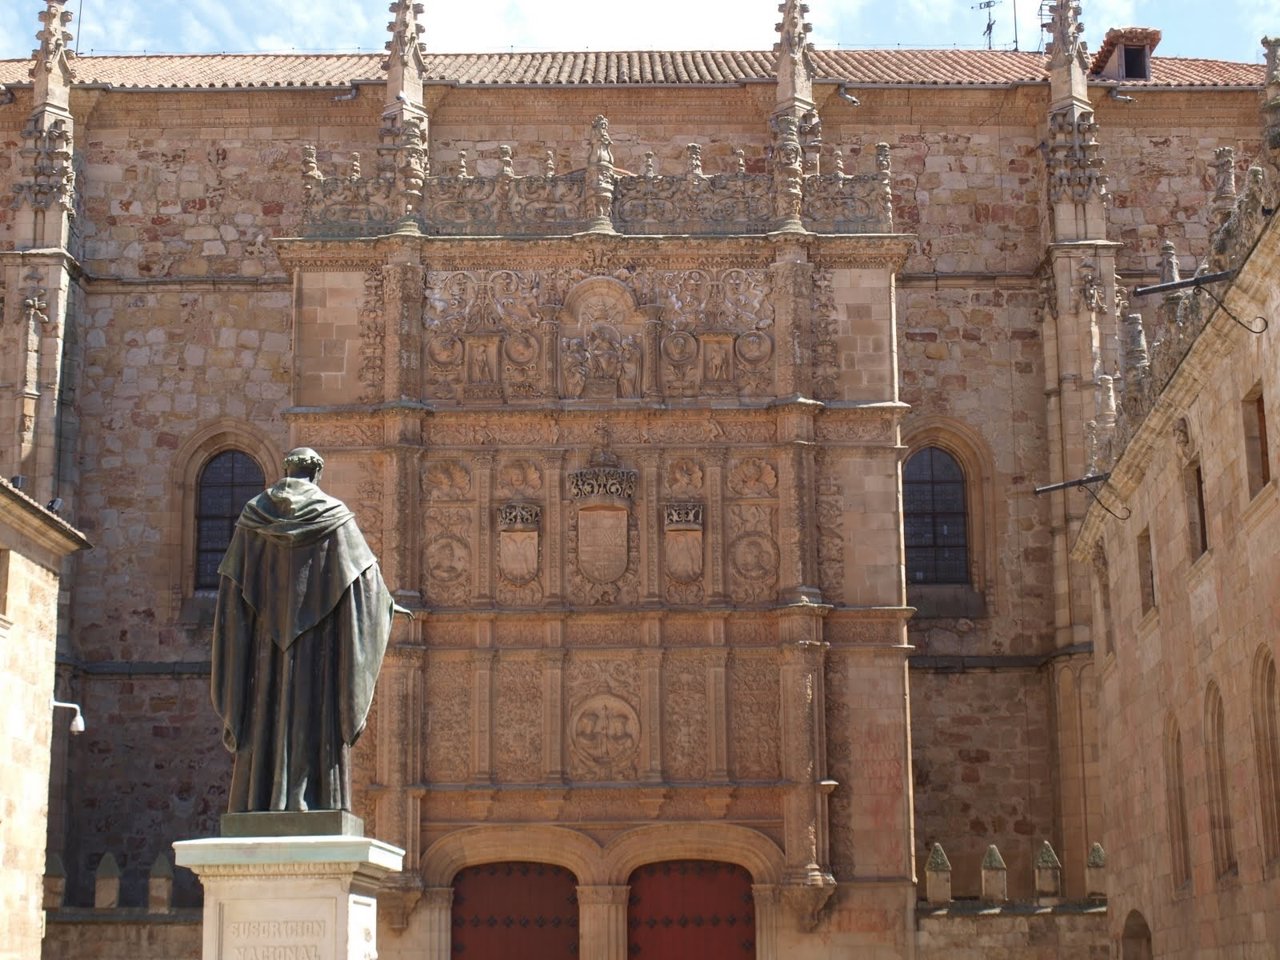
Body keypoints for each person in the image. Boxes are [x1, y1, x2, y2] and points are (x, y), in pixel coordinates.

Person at [211, 447, 402, 814]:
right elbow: (365, 583)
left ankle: (261, 802)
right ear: (316, 474)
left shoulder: (253, 519)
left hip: (263, 653)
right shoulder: (335, 518)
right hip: (320, 652)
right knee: (314, 717)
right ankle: (312, 801)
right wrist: (388, 607)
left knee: (266, 708)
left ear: (286, 470)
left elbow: (230, 589)